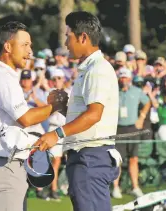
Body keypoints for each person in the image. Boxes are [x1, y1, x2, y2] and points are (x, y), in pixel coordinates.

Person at [0, 21, 68, 211]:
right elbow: (25, 118)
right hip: (4, 166)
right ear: (7, 46)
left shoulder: (0, 74)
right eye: (25, 45)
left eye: (30, 45)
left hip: (2, 163)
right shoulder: (2, 76)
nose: (30, 51)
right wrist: (55, 106)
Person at [34, 11, 121, 211]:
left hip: (90, 156)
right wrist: (64, 107)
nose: (66, 43)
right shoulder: (88, 69)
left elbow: (94, 115)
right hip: (84, 157)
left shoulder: (97, 69)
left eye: (68, 36)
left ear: (83, 37)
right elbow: (86, 116)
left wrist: (56, 134)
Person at [112, 68, 151, 199]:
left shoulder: (137, 91)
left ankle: (135, 187)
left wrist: (142, 117)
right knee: (117, 159)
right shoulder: (114, 91)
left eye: (126, 78)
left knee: (134, 158)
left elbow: (147, 102)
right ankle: (116, 187)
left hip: (133, 128)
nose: (124, 80)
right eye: (121, 77)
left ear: (130, 79)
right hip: (118, 128)